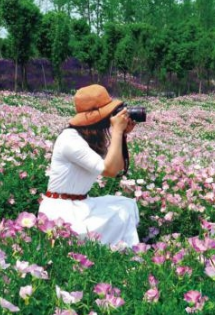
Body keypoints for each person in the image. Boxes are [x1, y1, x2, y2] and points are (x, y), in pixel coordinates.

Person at [38, 84, 140, 247]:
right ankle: (126, 251)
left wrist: (122, 136)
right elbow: (110, 170)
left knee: (126, 205)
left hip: (81, 204)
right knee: (121, 213)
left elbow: (117, 165)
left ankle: (124, 249)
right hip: (62, 213)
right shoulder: (70, 140)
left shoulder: (88, 138)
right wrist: (117, 132)